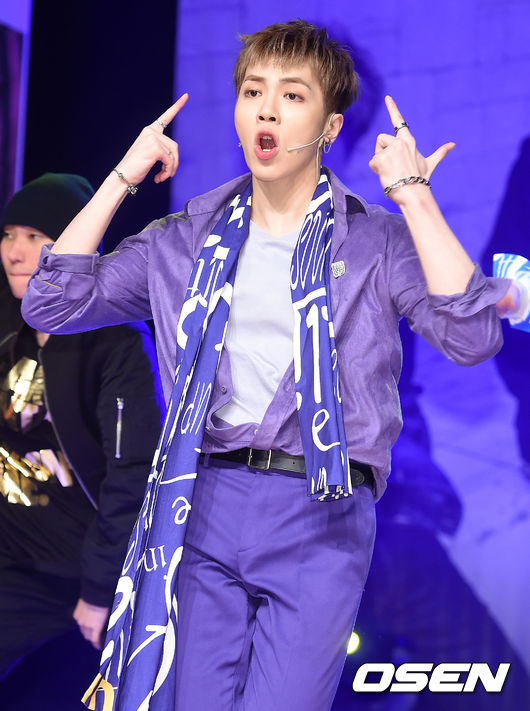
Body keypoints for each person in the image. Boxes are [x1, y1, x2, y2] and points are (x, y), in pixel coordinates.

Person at [22, 21, 511, 711]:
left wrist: (414, 197)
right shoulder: (185, 239)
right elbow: (52, 301)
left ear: (331, 126)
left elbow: (472, 336)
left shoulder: (374, 241)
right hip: (203, 505)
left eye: (293, 94)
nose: (268, 110)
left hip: (323, 512)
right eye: (253, 91)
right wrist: (122, 177)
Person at [0, 173, 164, 680]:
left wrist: (98, 588)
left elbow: (133, 476)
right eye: (8, 235)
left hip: (67, 566)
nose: (15, 253)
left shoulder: (116, 341)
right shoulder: (10, 322)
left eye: (36, 237)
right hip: (12, 548)